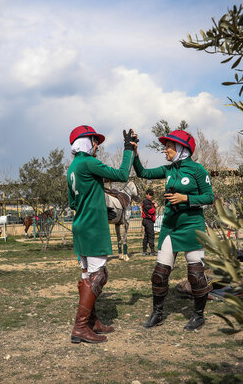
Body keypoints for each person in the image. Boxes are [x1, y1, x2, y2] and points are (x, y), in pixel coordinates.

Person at [133, 129, 215, 331]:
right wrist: (134, 154)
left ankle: (198, 316)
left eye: (169, 146)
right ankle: (158, 314)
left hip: (192, 226)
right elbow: (143, 172)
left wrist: (186, 199)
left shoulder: (198, 170)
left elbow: (209, 197)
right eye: (166, 146)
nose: (165, 149)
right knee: (159, 274)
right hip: (170, 226)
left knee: (196, 275)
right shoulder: (168, 169)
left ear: (182, 148)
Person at [67, 125, 137, 344]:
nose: (97, 145)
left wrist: (94, 194)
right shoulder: (89, 162)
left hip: (80, 225)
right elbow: (122, 174)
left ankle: (91, 322)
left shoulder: (72, 167)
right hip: (94, 225)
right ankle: (80, 327)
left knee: (88, 277)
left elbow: (72, 202)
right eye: (94, 141)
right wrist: (128, 150)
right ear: (86, 142)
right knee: (99, 277)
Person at [141, 189, 157, 256]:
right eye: (149, 195)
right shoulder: (146, 202)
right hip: (148, 220)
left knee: (147, 236)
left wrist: (152, 203)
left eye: (152, 195)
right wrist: (155, 207)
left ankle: (144, 251)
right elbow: (150, 211)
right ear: (146, 194)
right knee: (151, 235)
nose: (151, 196)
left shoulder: (148, 202)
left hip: (147, 220)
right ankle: (152, 251)